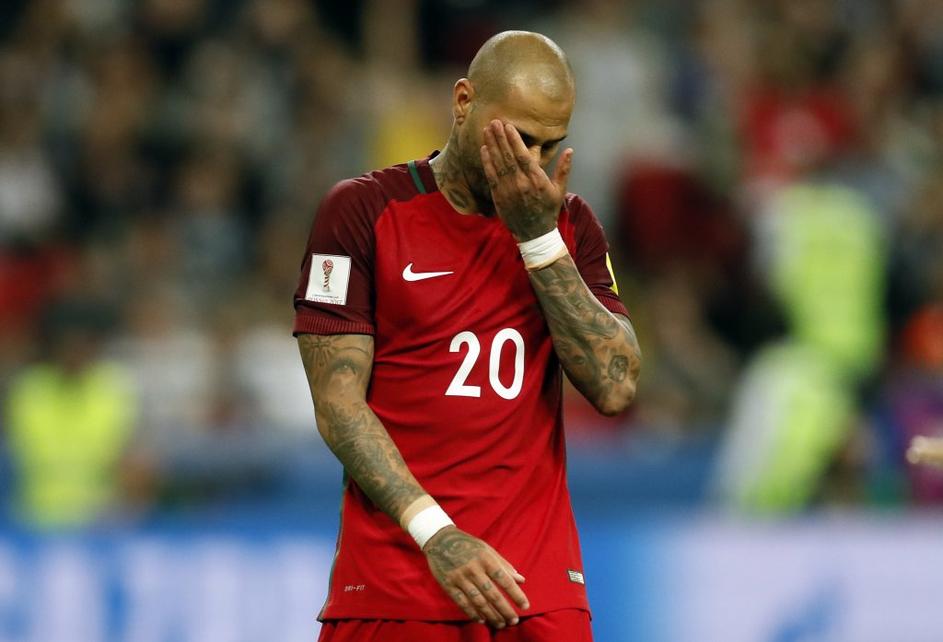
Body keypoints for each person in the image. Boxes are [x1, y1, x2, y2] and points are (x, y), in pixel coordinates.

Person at [293, 31, 641, 642]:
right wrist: (437, 533)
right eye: (518, 138)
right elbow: (337, 403)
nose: (532, 162)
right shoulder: (362, 212)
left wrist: (538, 240)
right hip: (399, 585)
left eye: (549, 144)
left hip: (538, 595)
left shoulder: (568, 226)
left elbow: (615, 387)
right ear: (463, 103)